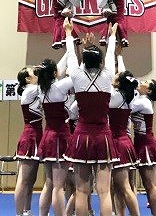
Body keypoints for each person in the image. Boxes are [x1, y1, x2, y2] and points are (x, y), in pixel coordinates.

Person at [64, 21, 119, 216]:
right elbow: (110, 55)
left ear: (85, 61)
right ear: (100, 61)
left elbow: (71, 55)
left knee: (81, 191)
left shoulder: (76, 75)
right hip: (103, 135)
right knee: (104, 192)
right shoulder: (108, 74)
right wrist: (112, 36)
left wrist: (68, 33)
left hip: (82, 135)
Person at [35, 23, 78, 216]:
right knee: (59, 186)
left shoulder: (41, 88)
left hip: (48, 136)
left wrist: (70, 42)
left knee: (49, 183)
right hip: (60, 137)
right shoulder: (59, 87)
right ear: (54, 74)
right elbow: (76, 73)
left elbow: (60, 66)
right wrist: (69, 38)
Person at [131, 80, 156, 216]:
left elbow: (125, 107)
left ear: (149, 91)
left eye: (146, 82)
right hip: (140, 142)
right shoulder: (141, 100)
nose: (141, 81)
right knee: (147, 185)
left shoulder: (143, 102)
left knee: (151, 185)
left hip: (146, 144)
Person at [109, 52, 140, 216]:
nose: (114, 75)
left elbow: (108, 76)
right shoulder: (130, 95)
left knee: (125, 187)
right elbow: (124, 76)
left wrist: (111, 54)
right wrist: (120, 57)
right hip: (124, 141)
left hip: (118, 143)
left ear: (119, 83)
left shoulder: (115, 97)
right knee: (117, 186)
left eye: (117, 76)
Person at [14, 67, 43, 216]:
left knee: (31, 180)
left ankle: (27, 210)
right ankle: (19, 213)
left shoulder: (35, 90)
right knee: (23, 180)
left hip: (38, 135)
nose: (37, 74)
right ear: (27, 79)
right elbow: (49, 85)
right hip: (30, 137)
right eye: (33, 72)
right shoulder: (30, 90)